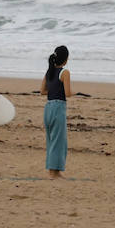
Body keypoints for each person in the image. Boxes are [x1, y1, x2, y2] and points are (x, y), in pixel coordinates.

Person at [40, 45, 72, 179]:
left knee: (51, 139)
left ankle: (54, 171)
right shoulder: (64, 72)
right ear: (66, 59)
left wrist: (53, 91)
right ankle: (54, 172)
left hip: (48, 107)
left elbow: (42, 91)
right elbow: (68, 93)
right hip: (58, 107)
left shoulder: (49, 72)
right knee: (59, 141)